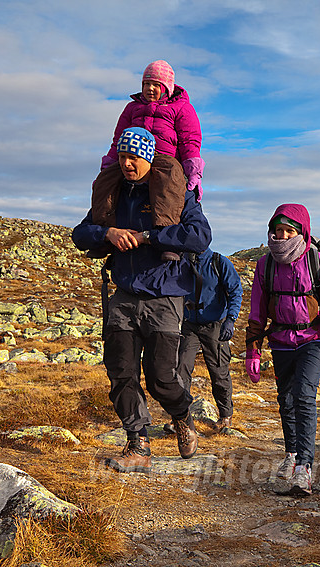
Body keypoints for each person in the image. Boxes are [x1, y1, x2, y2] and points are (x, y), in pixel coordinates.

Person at [73, 127, 211, 474]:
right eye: (122, 157)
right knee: (121, 373)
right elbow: (80, 233)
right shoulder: (114, 194)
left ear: (148, 157)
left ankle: (182, 418)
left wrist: (149, 236)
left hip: (164, 296)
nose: (127, 163)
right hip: (123, 295)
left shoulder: (176, 194)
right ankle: (138, 443)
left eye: (133, 157)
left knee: (161, 376)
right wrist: (108, 233)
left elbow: (199, 236)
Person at [245, 204, 320, 496]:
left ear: (302, 231)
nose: (283, 235)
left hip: (313, 339)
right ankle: (291, 454)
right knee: (285, 399)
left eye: (289, 230)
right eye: (278, 230)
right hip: (280, 340)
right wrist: (253, 350)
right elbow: (257, 310)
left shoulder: (319, 262)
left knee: (304, 396)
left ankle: (304, 467)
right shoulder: (264, 265)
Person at [101, 60, 205, 201]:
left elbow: (189, 142)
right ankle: (101, 220)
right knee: (106, 184)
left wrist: (193, 173)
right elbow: (118, 140)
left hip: (164, 159)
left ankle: (164, 223)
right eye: (146, 84)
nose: (150, 88)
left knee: (167, 188)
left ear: (167, 88)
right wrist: (108, 167)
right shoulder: (132, 108)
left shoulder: (182, 108)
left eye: (156, 85)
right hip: (134, 158)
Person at [176, 247, 243, 432]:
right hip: (188, 325)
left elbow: (236, 291)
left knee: (218, 371)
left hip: (215, 325)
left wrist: (230, 319)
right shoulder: (181, 260)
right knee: (181, 367)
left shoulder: (219, 262)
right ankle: (180, 418)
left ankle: (225, 416)